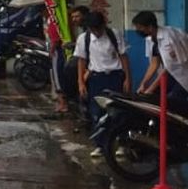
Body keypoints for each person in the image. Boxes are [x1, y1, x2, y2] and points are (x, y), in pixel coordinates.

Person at [76, 11, 131, 155]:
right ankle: (100, 145)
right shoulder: (84, 39)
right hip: (96, 79)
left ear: (104, 25)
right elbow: (81, 61)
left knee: (119, 111)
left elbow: (123, 56)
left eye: (98, 29)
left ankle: (122, 143)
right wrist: (81, 82)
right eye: (93, 29)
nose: (96, 32)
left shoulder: (114, 34)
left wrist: (127, 78)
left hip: (115, 76)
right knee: (97, 112)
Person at [132, 11, 188, 110]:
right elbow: (154, 63)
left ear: (150, 27)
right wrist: (143, 84)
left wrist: (151, 87)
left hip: (182, 75)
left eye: (140, 27)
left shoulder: (170, 37)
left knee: (172, 102)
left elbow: (170, 67)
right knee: (150, 97)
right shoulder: (150, 39)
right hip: (171, 74)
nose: (138, 30)